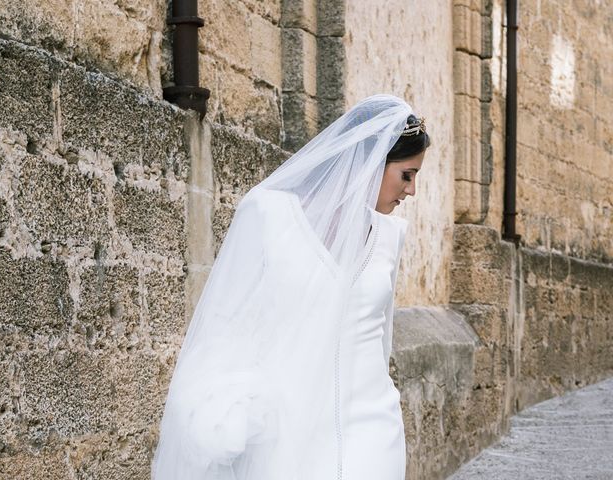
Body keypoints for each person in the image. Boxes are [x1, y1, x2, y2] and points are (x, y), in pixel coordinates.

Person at [152, 94, 431, 480]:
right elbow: (227, 320)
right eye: (407, 174)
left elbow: (381, 340)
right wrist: (223, 409)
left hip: (372, 430)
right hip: (289, 430)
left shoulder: (389, 237)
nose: (412, 190)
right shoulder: (268, 213)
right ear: (371, 161)